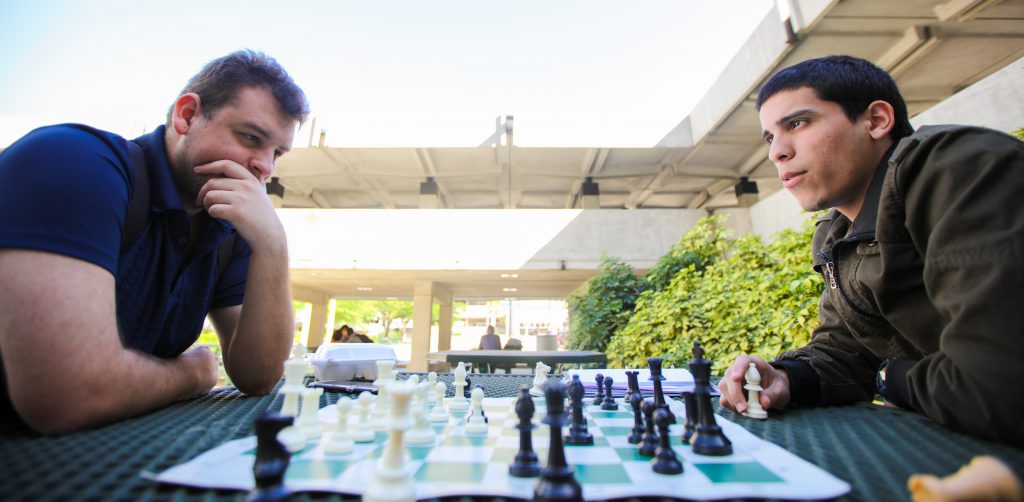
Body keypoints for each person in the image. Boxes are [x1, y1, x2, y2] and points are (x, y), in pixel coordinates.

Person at [718, 55, 1024, 446]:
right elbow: (847, 349)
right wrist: (788, 377)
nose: (777, 152)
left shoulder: (959, 169)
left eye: (797, 123)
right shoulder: (837, 232)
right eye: (769, 138)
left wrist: (891, 378)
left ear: (877, 120)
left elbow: (997, 385)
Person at [0, 50, 309, 435]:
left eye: (277, 152)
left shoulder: (230, 224)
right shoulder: (73, 162)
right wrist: (193, 373)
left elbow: (259, 375)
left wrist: (274, 246)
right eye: (250, 137)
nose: (265, 166)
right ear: (187, 115)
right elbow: (68, 396)